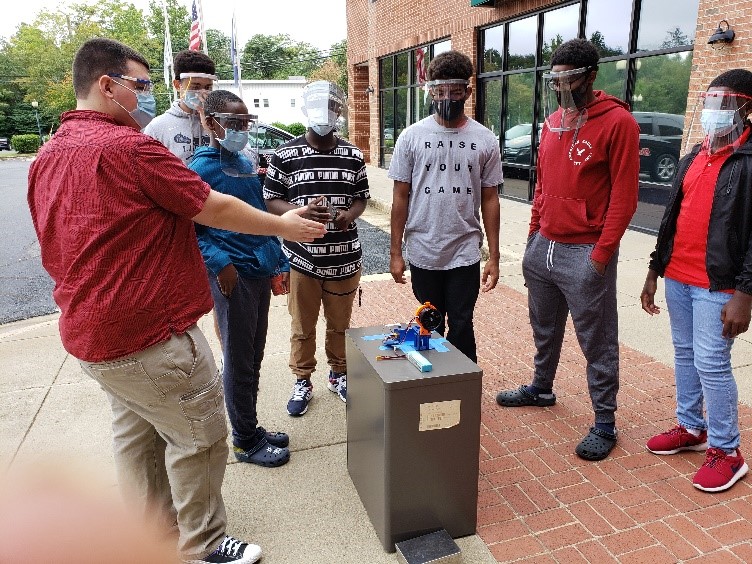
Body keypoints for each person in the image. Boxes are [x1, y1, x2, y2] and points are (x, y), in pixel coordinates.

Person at [27, 38, 325, 564]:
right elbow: (207, 206)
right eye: (140, 85)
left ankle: (155, 531)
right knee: (200, 436)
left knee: (137, 436)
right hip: (149, 333)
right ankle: (205, 546)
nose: (147, 97)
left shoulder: (47, 156)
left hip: (95, 334)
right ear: (106, 86)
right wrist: (285, 228)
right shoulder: (129, 148)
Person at [495, 38, 639, 462]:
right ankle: (541, 388)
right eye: (554, 79)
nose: (560, 86)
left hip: (585, 249)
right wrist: (533, 237)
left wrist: (601, 253)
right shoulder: (553, 120)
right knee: (544, 326)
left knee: (597, 340)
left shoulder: (618, 123)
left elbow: (624, 198)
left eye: (568, 78)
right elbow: (542, 186)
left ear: (591, 76)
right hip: (545, 247)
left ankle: (605, 422)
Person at [641, 69, 752, 492]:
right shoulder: (694, 155)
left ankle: (727, 450)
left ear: (746, 108)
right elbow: (669, 220)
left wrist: (745, 294)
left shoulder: (748, 162)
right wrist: (654, 270)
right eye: (710, 102)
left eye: (724, 104)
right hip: (678, 278)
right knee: (685, 355)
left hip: (719, 284)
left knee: (712, 363)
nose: (713, 112)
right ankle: (692, 426)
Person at [189, 90, 291, 468]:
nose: (239, 130)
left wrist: (278, 262)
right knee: (238, 358)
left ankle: (251, 426)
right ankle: (245, 440)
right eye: (232, 123)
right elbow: (190, 227)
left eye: (245, 123)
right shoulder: (201, 168)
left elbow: (261, 218)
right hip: (235, 275)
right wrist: (219, 264)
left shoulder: (243, 161)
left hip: (258, 268)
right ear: (210, 122)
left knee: (254, 353)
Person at [388, 50, 502, 364]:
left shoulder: (485, 139)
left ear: (467, 91)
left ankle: (462, 385)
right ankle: (432, 385)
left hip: (464, 250)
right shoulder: (411, 137)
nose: (447, 97)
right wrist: (395, 252)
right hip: (423, 249)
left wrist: (494, 254)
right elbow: (400, 197)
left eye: (454, 91)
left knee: (463, 323)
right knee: (430, 322)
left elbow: (491, 198)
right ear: (431, 91)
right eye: (440, 91)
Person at [263, 80, 370, 416]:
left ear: (340, 111)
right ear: (305, 110)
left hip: (344, 260)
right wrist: (298, 213)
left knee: (340, 325)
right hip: (302, 259)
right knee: (302, 326)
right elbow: (271, 200)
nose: (325, 113)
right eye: (319, 106)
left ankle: (338, 374)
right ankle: (302, 379)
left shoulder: (353, 156)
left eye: (332, 106)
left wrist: (344, 217)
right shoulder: (285, 154)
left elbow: (361, 199)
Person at [143, 49, 215, 164]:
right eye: (195, 87)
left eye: (207, 87)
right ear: (177, 85)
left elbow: (244, 158)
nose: (202, 92)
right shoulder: (157, 128)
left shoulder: (219, 120)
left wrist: (215, 130)